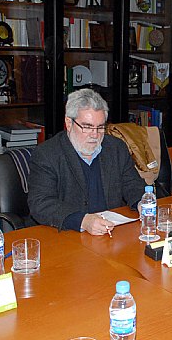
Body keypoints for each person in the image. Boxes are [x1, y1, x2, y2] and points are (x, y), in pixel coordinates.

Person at [28, 88, 145, 236]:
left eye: (100, 127)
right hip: (66, 237)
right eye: (87, 127)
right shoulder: (47, 154)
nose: (95, 135)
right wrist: (82, 221)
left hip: (111, 234)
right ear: (69, 123)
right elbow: (40, 203)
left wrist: (142, 203)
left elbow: (133, 185)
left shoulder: (116, 148)